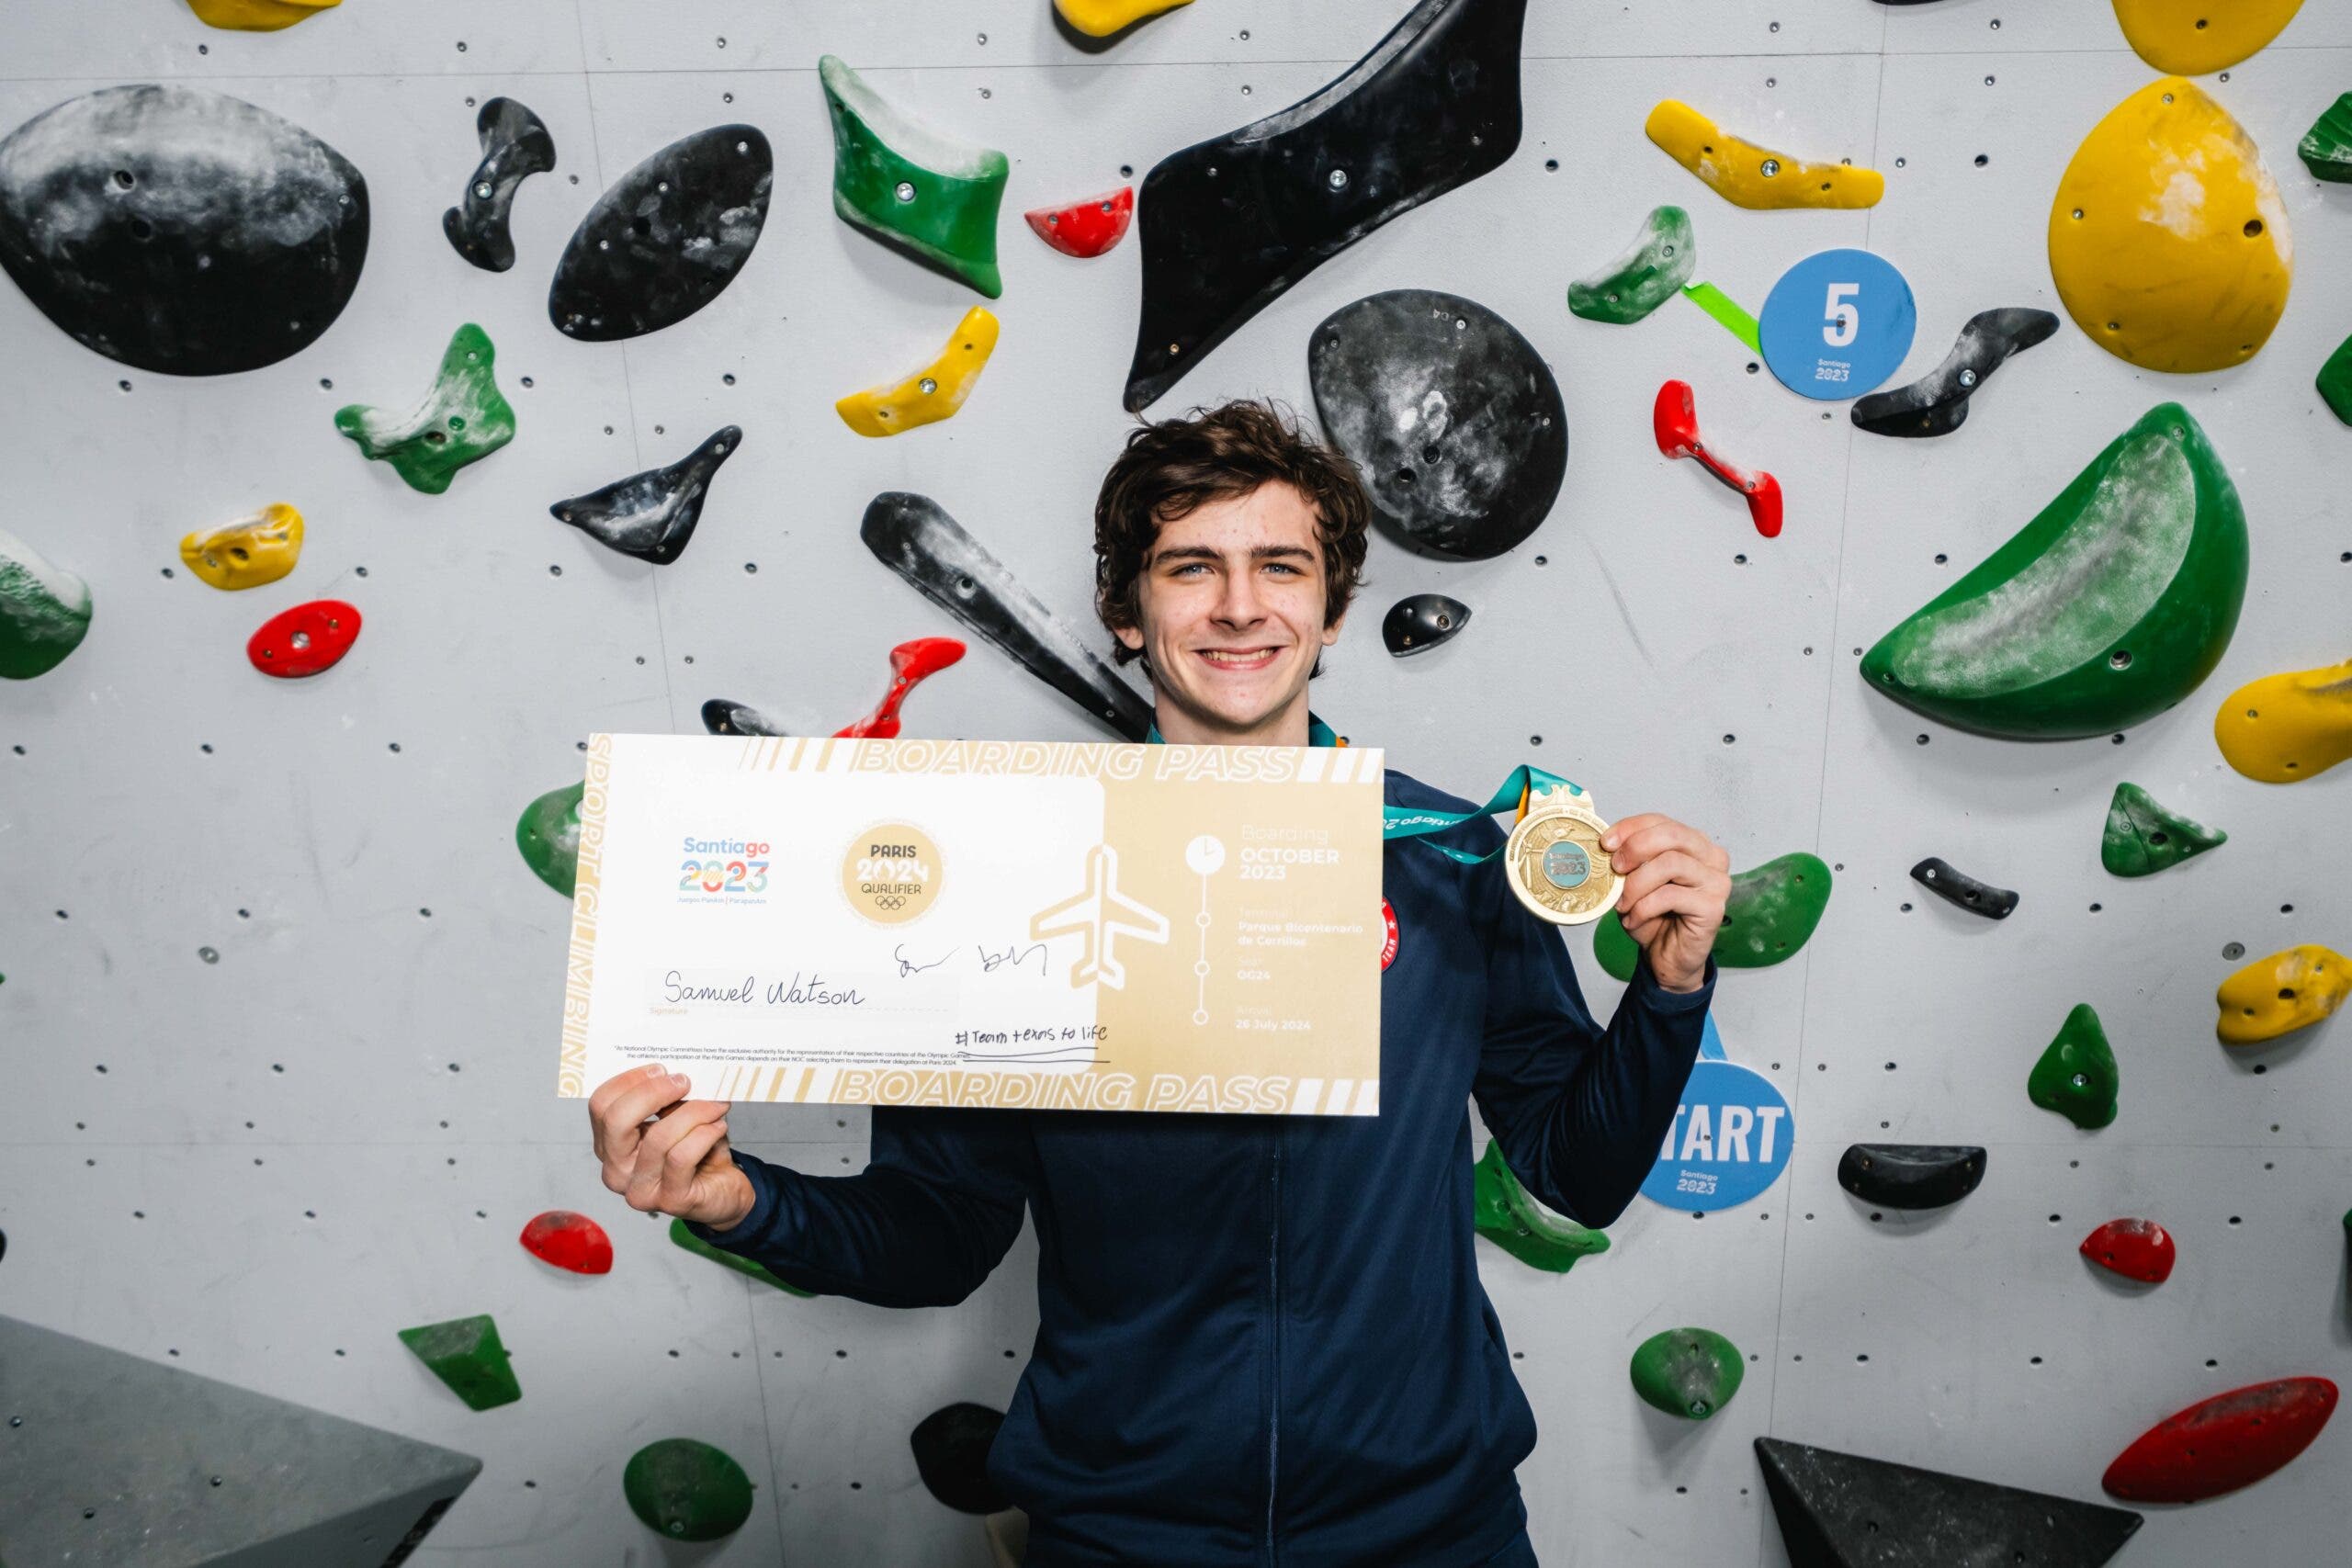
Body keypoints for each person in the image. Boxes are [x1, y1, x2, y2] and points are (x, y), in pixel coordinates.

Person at [588, 399, 1731, 1566]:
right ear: (1124, 613)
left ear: (1331, 610)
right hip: (1120, 1537)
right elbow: (939, 1235)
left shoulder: (1453, 856)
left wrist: (1670, 993)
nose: (1239, 606)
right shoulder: (1008, 873)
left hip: (1435, 1530)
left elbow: (1573, 1177)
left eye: (1279, 566)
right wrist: (743, 1204)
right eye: (1192, 567)